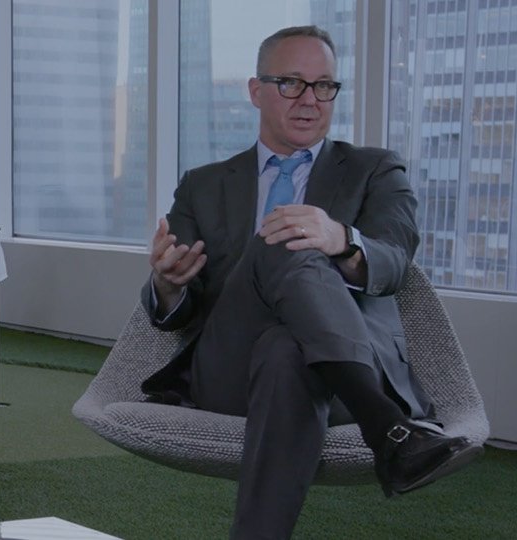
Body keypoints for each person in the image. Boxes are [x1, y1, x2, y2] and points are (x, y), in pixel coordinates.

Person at [140, 25, 483, 539]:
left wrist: (340, 237)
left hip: (340, 373)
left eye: (324, 85)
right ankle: (386, 423)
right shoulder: (204, 184)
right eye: (291, 83)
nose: (310, 100)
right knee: (286, 233)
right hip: (230, 372)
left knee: (286, 345)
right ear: (256, 91)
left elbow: (392, 262)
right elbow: (178, 304)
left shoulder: (375, 170)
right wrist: (167, 283)